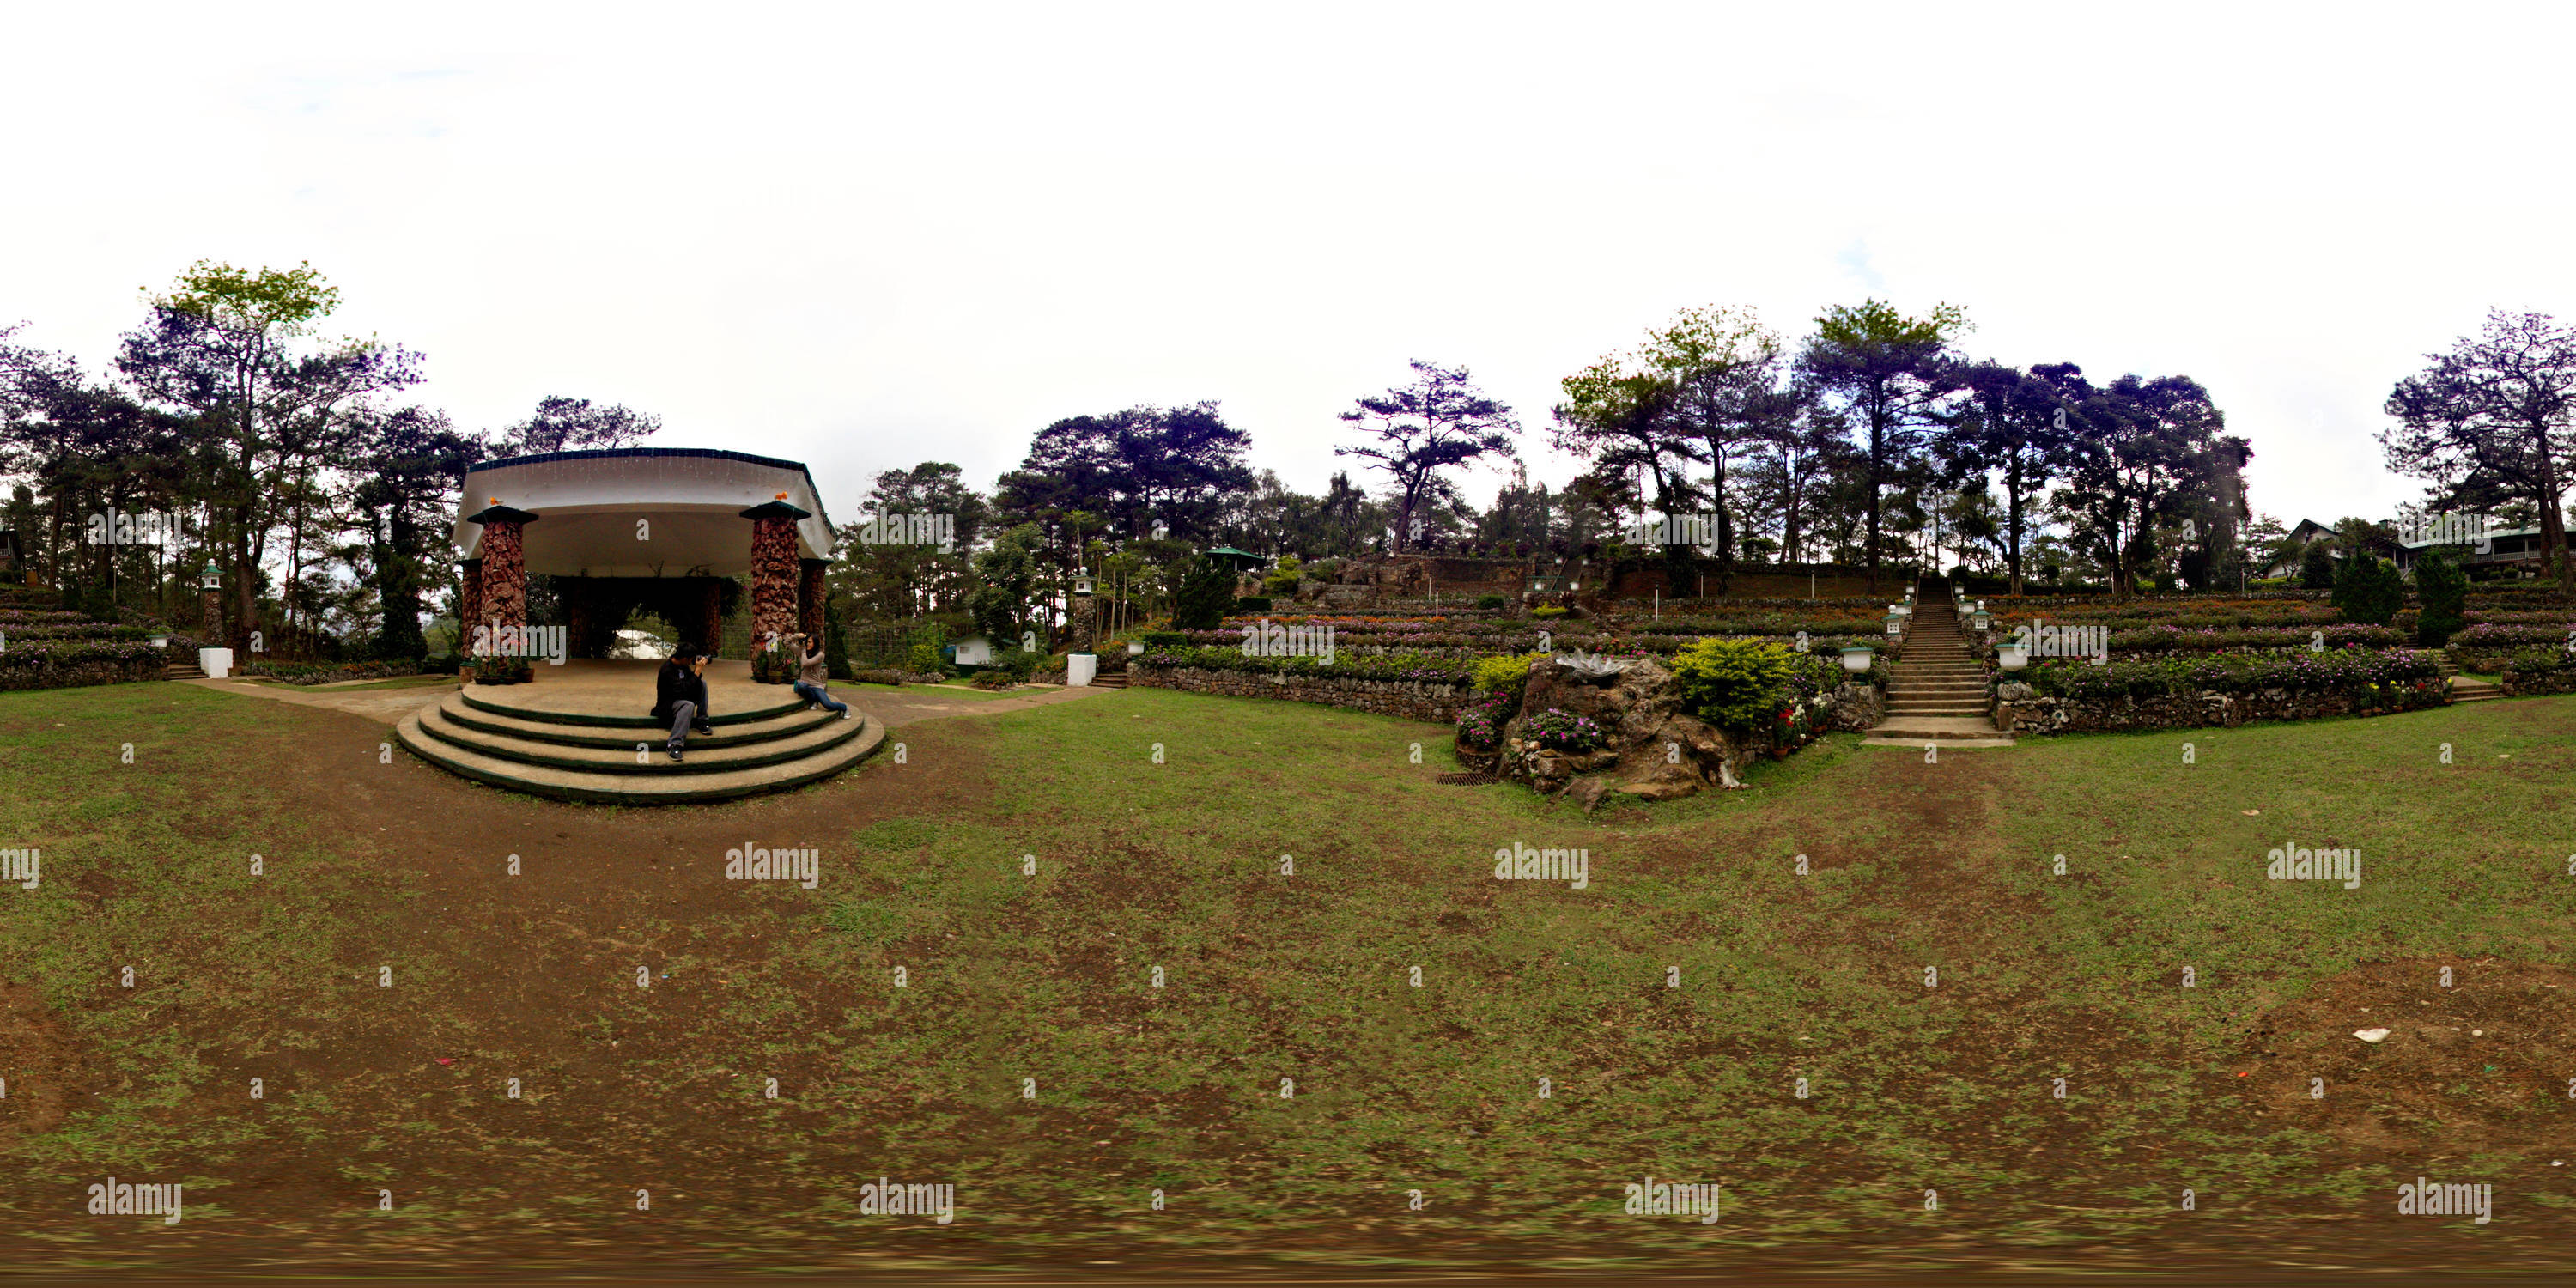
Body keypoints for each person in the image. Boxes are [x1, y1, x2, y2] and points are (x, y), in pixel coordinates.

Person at [653, 647, 714, 762]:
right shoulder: (667, 670)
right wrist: (697, 671)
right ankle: (674, 744)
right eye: (691, 659)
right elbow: (683, 690)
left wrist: (697, 673)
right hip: (668, 707)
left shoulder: (683, 666)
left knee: (702, 684)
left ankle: (702, 720)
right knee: (688, 705)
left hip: (681, 698)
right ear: (685, 659)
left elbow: (691, 683)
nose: (692, 662)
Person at [787, 632, 850, 719]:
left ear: (815, 643)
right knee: (801, 686)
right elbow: (786, 643)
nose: (807, 644)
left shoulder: (820, 655)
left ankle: (845, 708)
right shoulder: (802, 651)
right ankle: (814, 700)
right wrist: (797, 635)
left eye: (810, 642)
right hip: (804, 684)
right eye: (807, 641)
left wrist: (803, 650)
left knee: (828, 705)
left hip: (816, 685)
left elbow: (806, 663)